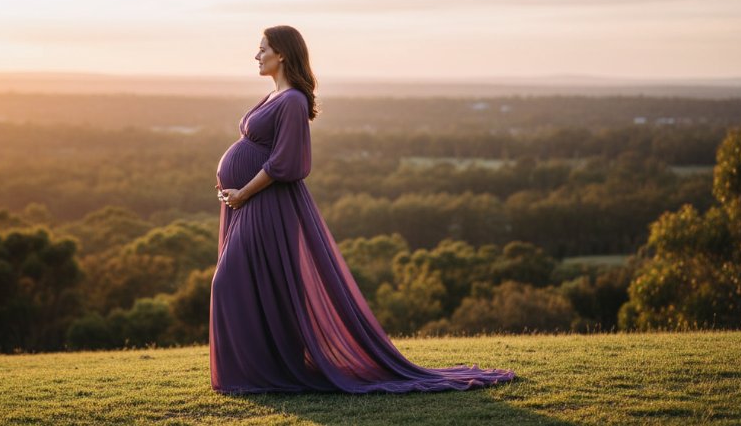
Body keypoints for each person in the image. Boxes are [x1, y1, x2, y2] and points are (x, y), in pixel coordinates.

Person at [210, 25, 516, 394]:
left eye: (262, 49)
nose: (256, 56)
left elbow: (287, 163)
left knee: (228, 281)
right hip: (248, 203)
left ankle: (263, 373)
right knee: (254, 284)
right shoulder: (273, 96)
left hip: (267, 205)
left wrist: (243, 192)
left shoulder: (292, 101)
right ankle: (259, 372)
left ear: (282, 55)